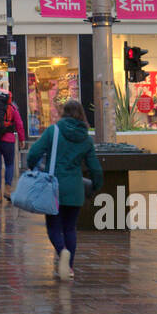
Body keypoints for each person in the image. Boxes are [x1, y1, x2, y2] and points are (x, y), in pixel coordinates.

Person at [24, 99, 103, 280]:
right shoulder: (85, 138)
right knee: (70, 228)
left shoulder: (53, 131)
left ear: (63, 113)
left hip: (53, 187)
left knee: (53, 227)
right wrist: (95, 186)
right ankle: (70, 268)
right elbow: (95, 168)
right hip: (75, 189)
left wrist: (33, 167)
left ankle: (62, 251)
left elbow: (34, 153)